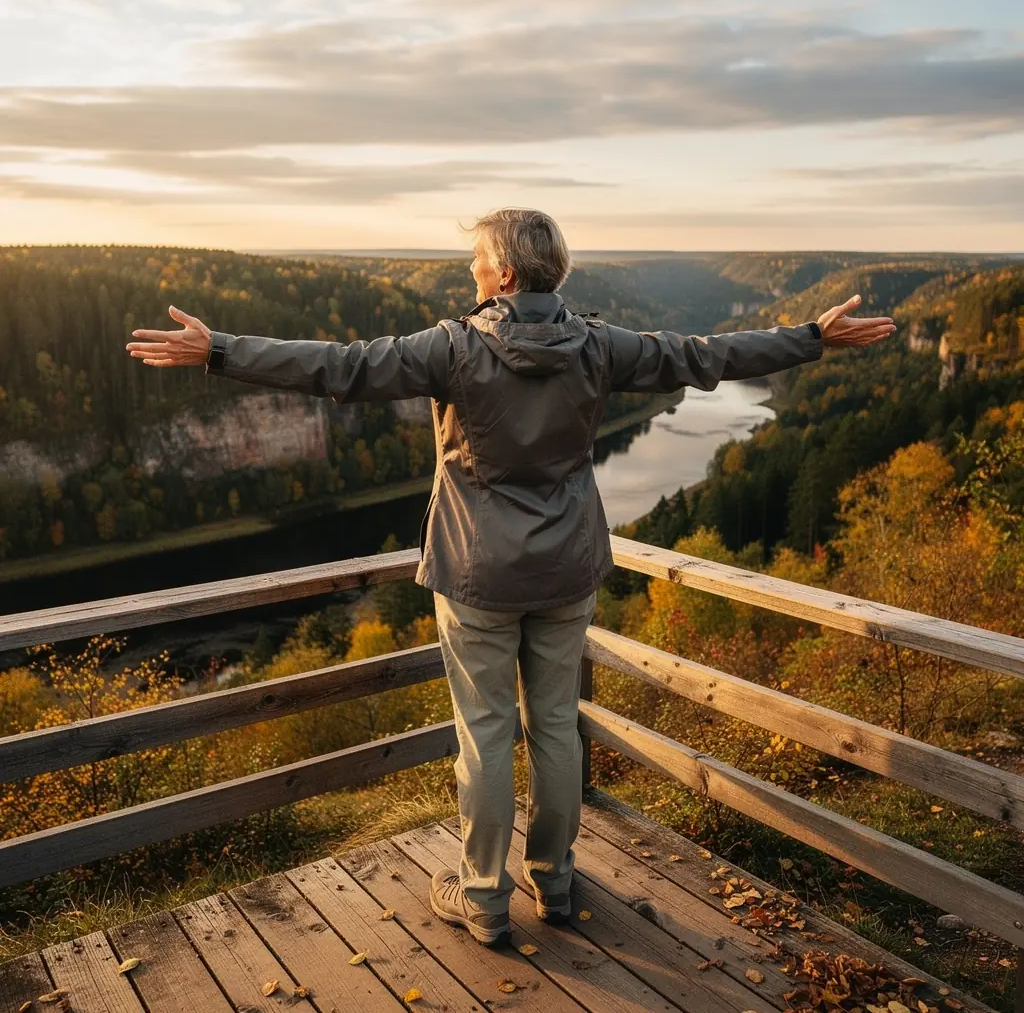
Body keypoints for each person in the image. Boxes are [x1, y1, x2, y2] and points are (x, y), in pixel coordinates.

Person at [126, 208, 895, 945]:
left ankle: (485, 897)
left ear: (499, 273)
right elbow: (706, 356)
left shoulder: (452, 348)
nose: (467, 269)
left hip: (477, 571)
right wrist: (810, 338)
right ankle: (556, 882)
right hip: (567, 568)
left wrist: (220, 349)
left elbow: (341, 368)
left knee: (488, 734)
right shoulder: (601, 346)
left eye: (473, 259)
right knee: (555, 726)